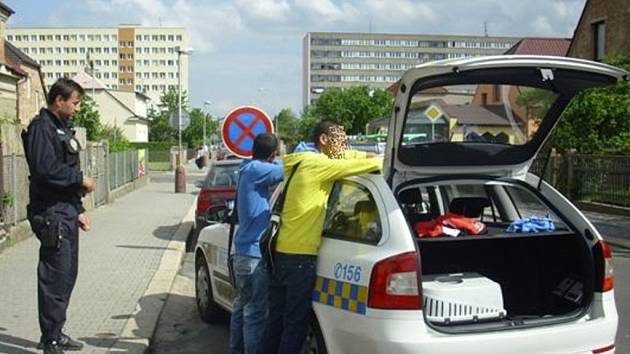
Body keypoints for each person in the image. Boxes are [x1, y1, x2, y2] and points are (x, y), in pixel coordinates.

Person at [258, 121, 382, 354]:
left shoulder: (301, 162)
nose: (345, 145)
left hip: (280, 253)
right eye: (341, 140)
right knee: (295, 325)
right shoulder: (319, 165)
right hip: (301, 258)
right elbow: (374, 164)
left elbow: (346, 156)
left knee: (275, 321)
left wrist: (360, 152)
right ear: (324, 140)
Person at [22, 78, 96, 354]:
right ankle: (50, 340)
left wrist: (78, 210)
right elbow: (45, 170)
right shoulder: (42, 129)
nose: (77, 108)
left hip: (64, 212)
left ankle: (56, 332)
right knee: (55, 277)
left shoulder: (60, 128)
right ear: (59, 100)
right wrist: (80, 179)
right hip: (51, 214)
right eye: (75, 102)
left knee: (66, 274)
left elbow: (61, 167)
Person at [229, 133, 284, 354]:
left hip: (243, 254)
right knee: (255, 313)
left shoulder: (247, 168)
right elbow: (293, 169)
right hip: (254, 257)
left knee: (242, 307)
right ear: (273, 155)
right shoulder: (257, 171)